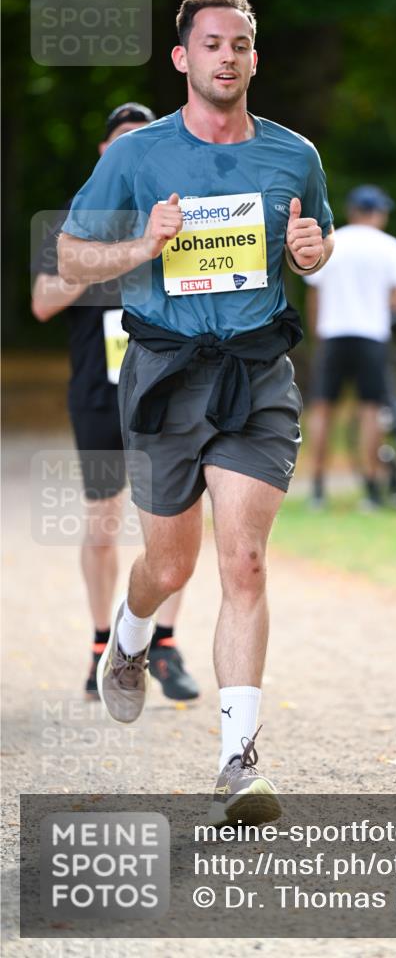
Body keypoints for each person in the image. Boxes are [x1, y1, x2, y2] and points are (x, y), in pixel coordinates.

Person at [57, 0, 334, 823]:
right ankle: (130, 638)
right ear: (183, 58)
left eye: (239, 45)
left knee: (242, 562)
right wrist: (145, 243)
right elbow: (70, 258)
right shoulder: (138, 156)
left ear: (254, 57)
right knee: (168, 567)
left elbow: (313, 248)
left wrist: (313, 253)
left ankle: (238, 763)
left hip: (255, 372)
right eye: (210, 44)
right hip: (167, 374)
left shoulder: (294, 156)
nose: (226, 57)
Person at [31, 102, 199, 703]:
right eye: (121, 143)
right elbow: (44, 303)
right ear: (105, 154)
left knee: (179, 520)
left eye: (143, 142)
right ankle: (103, 643)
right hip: (99, 394)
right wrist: (111, 252)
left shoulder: (183, 218)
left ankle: (167, 646)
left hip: (167, 387)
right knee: (104, 521)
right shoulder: (73, 223)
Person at [304, 185, 396, 510]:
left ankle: (318, 489)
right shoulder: (390, 247)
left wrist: (317, 334)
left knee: (322, 409)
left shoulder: (332, 241)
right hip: (371, 335)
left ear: (351, 211)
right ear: (378, 212)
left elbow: (314, 294)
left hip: (333, 332)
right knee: (370, 410)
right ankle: (371, 489)